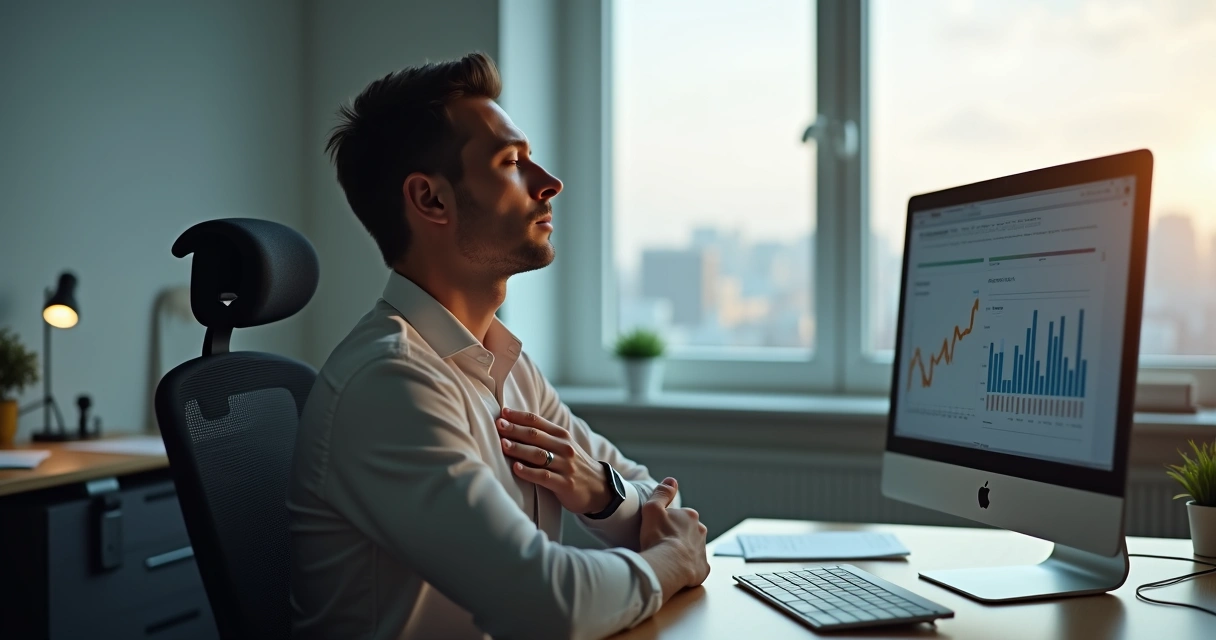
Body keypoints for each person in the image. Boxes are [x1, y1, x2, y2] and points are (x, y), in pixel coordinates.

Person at [287, 52, 710, 640]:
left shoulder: (505, 365)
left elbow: (658, 500)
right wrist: (672, 562)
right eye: (511, 162)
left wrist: (599, 490)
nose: (549, 182)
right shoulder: (390, 383)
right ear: (431, 200)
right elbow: (548, 605)